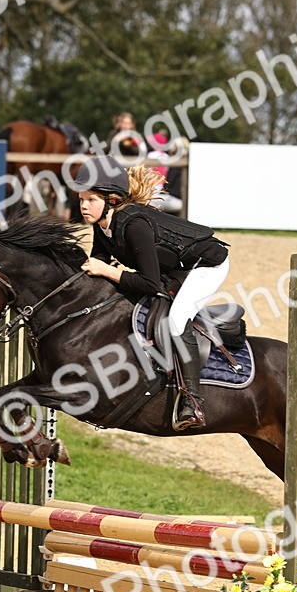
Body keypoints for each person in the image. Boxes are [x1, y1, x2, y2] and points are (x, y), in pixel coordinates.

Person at [69, 155, 230, 431]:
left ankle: (192, 400)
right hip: (175, 269)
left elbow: (150, 284)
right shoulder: (103, 225)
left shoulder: (134, 225)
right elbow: (96, 268)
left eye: (91, 200)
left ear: (112, 200)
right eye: (81, 199)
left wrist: (107, 271)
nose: (84, 205)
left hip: (207, 266)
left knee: (177, 319)